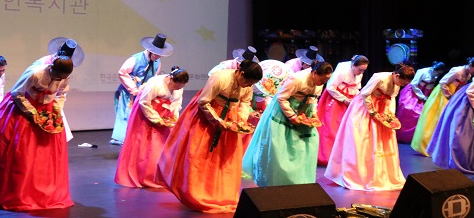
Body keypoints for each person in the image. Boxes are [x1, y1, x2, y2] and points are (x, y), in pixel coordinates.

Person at [156, 60, 262, 214]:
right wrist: (217, 121)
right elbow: (203, 101)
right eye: (247, 82)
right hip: (207, 115)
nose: (248, 86)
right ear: (241, 73)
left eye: (251, 84)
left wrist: (240, 120)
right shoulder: (220, 78)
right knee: (200, 154)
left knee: (225, 157)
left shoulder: (247, 86)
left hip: (229, 117)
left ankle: (222, 195)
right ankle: (196, 193)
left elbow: (245, 102)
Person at [0, 56, 74, 211]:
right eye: (57, 76)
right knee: (21, 152)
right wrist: (32, 113)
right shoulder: (36, 74)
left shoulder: (63, 77)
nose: (59, 80)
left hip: (47, 110)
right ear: (52, 68)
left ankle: (46, 191)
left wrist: (56, 110)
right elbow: (17, 93)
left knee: (47, 155)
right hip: (24, 107)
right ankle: (19, 192)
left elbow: (61, 94)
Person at [324, 64, 415, 191]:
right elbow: (365, 94)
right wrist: (373, 112)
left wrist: (390, 116)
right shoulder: (380, 78)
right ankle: (358, 175)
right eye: (402, 82)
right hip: (365, 107)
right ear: (397, 75)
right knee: (362, 139)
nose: (402, 85)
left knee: (383, 141)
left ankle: (380, 175)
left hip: (382, 109)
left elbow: (391, 99)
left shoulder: (396, 85)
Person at [242, 60, 333, 187]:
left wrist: (313, 114)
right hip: (284, 112)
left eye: (326, 80)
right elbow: (282, 97)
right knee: (279, 149)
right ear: (314, 73)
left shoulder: (319, 83)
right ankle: (277, 181)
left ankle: (300, 181)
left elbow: (313, 99)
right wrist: (292, 116)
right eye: (322, 79)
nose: (324, 82)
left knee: (307, 146)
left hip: (303, 113)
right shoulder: (297, 79)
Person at [114, 66, 189, 188]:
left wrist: (174, 118)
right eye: (176, 86)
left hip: (165, 116)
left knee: (163, 145)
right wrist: (156, 119)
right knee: (146, 146)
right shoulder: (155, 83)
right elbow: (144, 102)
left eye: (180, 87)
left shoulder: (179, 87)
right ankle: (144, 176)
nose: (178, 89)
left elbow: (176, 103)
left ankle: (161, 176)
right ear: (170, 79)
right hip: (148, 114)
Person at [411, 56, 474, 156]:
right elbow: (443, 82)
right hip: (443, 95)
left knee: (448, 122)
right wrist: (449, 95)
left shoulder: (468, 75)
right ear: (470, 65)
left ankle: (441, 148)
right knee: (436, 119)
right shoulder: (457, 71)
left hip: (453, 97)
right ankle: (429, 147)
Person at [110, 33, 174, 146]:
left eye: (160, 55)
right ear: (150, 50)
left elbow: (154, 77)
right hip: (129, 91)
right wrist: (133, 88)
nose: (157, 57)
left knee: (140, 114)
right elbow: (122, 72)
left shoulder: (157, 62)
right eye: (156, 54)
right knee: (126, 113)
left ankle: (136, 137)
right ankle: (121, 138)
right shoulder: (135, 59)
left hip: (143, 91)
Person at [316, 54, 369, 166]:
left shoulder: (359, 73)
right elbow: (330, 87)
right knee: (332, 127)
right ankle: (328, 157)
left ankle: (345, 157)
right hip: (336, 97)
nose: (361, 72)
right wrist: (343, 99)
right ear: (353, 65)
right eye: (360, 70)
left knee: (350, 128)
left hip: (350, 99)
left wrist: (356, 99)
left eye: (363, 70)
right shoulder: (342, 71)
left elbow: (356, 87)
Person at [32, 37, 84, 142]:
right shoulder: (42, 63)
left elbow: (62, 91)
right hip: (35, 99)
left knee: (56, 131)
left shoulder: (65, 67)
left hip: (52, 101)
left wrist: (57, 108)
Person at [395, 61, 446, 143]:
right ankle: (402, 136)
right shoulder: (422, 72)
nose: (437, 74)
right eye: (437, 72)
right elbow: (414, 84)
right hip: (414, 92)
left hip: (426, 93)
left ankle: (416, 137)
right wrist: (422, 97)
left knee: (424, 114)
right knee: (409, 110)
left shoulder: (435, 75)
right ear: (434, 69)